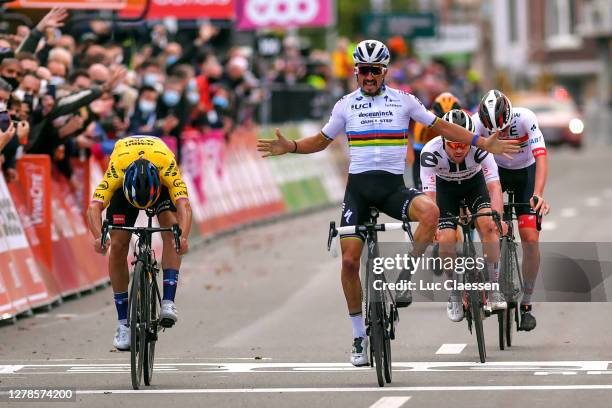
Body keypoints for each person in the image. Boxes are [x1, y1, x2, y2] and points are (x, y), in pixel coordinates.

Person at [257, 39, 519, 367]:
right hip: (358, 192)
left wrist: (482, 142)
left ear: (385, 72)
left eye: (374, 71)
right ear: (356, 73)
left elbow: (441, 125)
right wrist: (292, 146)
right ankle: (358, 335)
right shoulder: (345, 105)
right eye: (363, 71)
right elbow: (321, 141)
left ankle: (407, 270)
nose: (368, 77)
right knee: (350, 261)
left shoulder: (404, 102)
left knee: (432, 212)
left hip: (394, 190)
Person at [86, 135, 192, 351]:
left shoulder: (168, 168)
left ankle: (168, 303)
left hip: (158, 185)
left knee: (172, 232)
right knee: (117, 244)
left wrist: (183, 237)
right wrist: (98, 237)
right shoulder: (117, 169)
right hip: (126, 188)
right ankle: (123, 323)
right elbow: (93, 208)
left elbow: (184, 207)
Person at [472, 89, 550, 332]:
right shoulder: (475, 123)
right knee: (491, 226)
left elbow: (541, 158)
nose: (499, 134)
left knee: (529, 237)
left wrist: (537, 193)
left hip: (524, 174)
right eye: (493, 130)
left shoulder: (525, 117)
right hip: (495, 174)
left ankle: (526, 303)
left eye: (503, 128)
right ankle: (491, 282)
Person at [419, 109, 506, 322]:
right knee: (446, 240)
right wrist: (433, 227)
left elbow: (494, 186)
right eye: (453, 145)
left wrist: (499, 218)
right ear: (443, 141)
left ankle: (494, 288)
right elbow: (429, 195)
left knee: (488, 225)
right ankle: (455, 293)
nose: (459, 149)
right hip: (445, 191)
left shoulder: (480, 149)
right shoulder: (430, 152)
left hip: (474, 186)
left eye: (463, 144)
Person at [411, 92, 462, 189]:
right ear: (434, 114)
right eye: (441, 119)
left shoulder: (467, 118)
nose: (446, 126)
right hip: (430, 152)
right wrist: (419, 184)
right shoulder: (422, 123)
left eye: (451, 120)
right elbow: (418, 158)